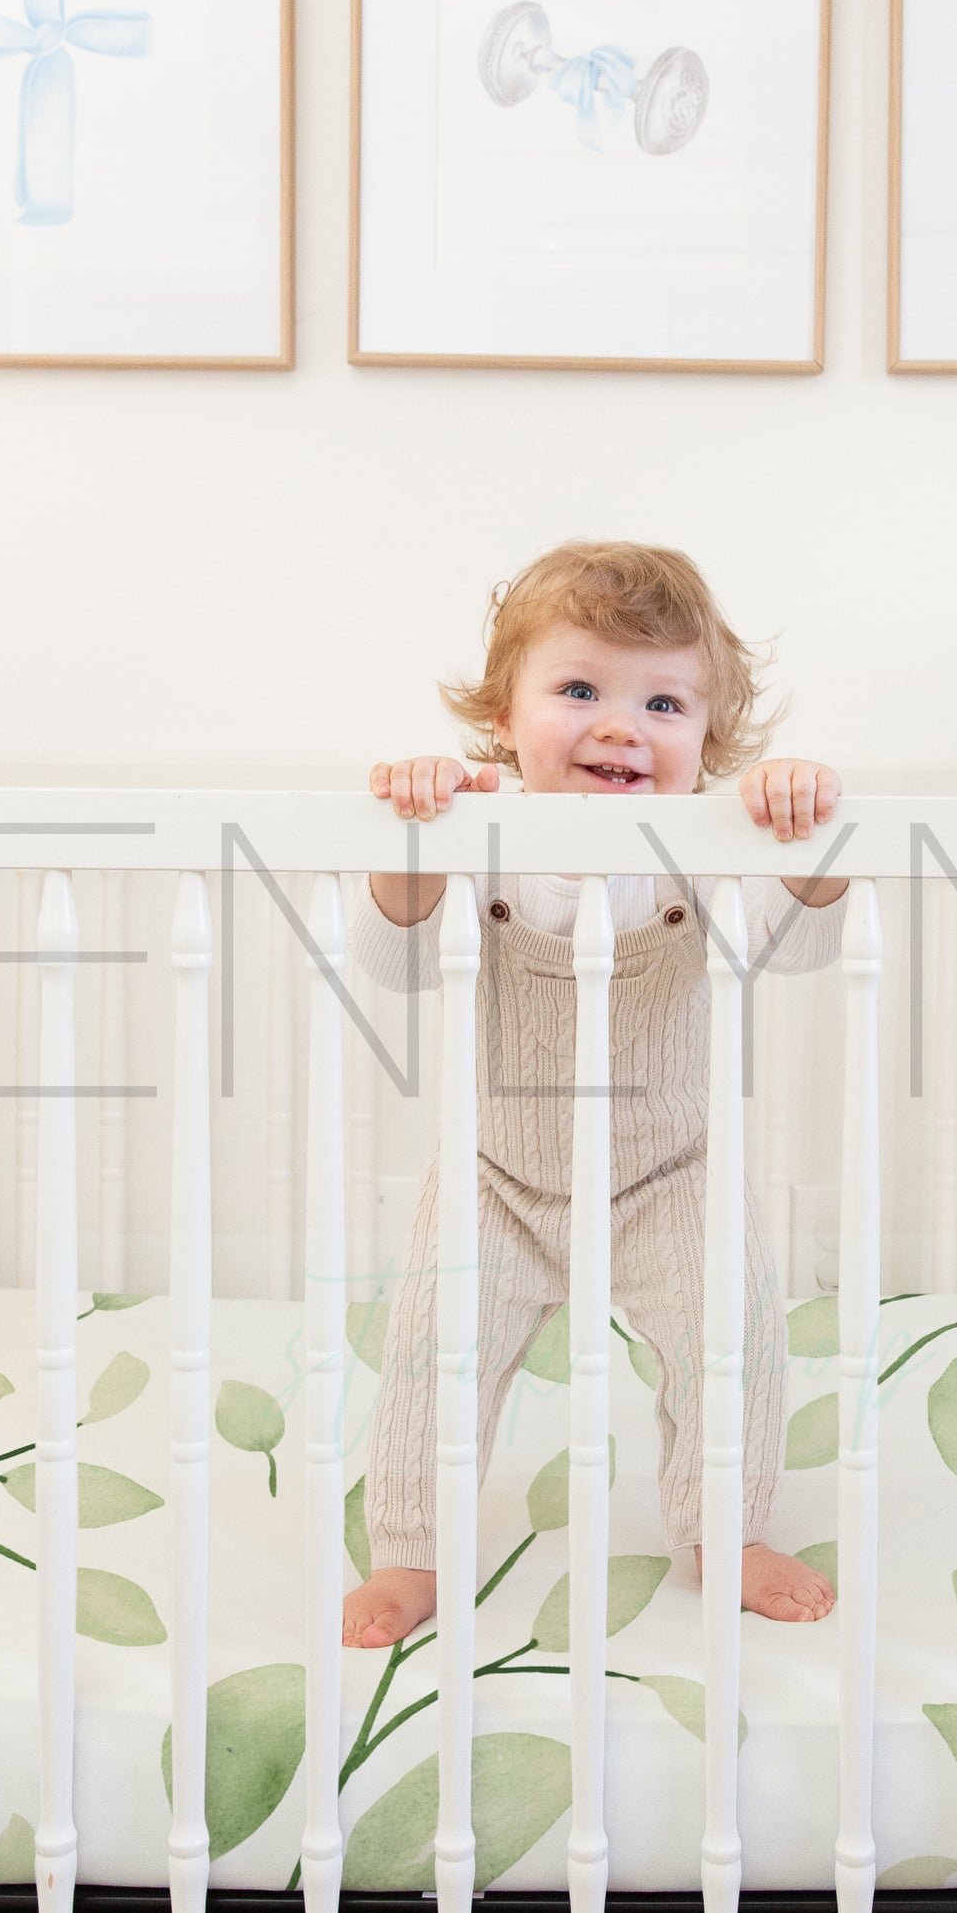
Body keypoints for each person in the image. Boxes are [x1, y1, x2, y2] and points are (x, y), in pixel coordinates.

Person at [341, 540, 848, 1651]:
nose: (620, 726)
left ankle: (726, 1532)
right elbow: (395, 961)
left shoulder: (713, 849)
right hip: (497, 1174)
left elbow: (799, 943)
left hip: (672, 1171)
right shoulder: (476, 833)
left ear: (709, 744)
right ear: (502, 715)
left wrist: (809, 838)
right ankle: (413, 1549)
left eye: (663, 702)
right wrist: (415, 834)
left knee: (735, 1338)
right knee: (432, 1351)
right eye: (579, 691)